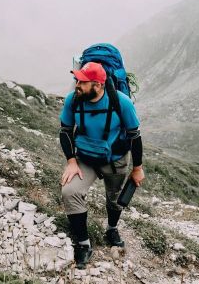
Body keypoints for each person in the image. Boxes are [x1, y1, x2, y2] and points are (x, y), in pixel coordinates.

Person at [59, 61, 144, 269]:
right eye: (77, 80)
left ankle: (112, 228)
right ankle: (83, 244)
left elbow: (135, 136)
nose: (77, 85)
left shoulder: (121, 102)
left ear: (97, 85)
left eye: (82, 82)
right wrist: (71, 161)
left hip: (115, 160)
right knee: (70, 191)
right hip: (86, 158)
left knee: (114, 200)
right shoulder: (73, 100)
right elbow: (65, 131)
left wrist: (137, 168)